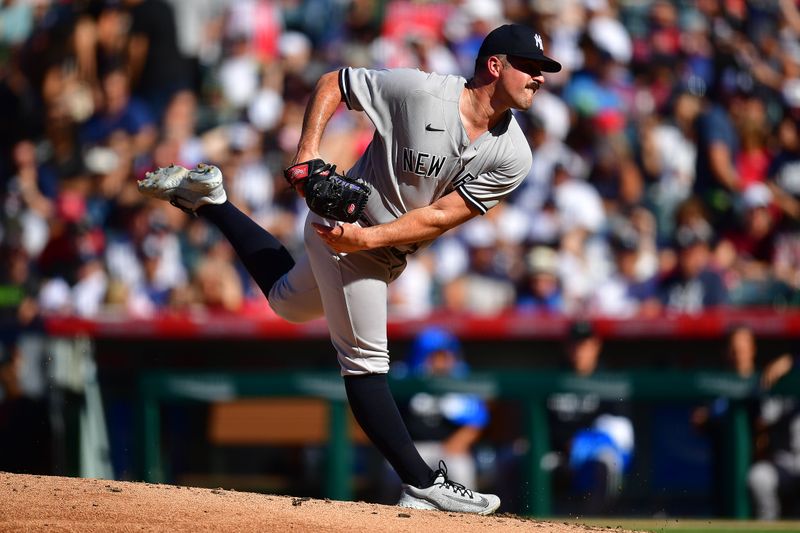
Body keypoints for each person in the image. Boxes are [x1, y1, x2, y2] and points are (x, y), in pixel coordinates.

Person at [137, 23, 561, 514]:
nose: (539, 79)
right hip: (342, 227)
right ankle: (422, 481)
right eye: (530, 68)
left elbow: (440, 215)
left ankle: (212, 201)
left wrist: (373, 238)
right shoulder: (421, 92)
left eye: (542, 71)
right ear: (495, 66)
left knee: (288, 304)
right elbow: (334, 82)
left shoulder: (514, 154)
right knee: (365, 363)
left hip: (376, 243)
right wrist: (308, 153)